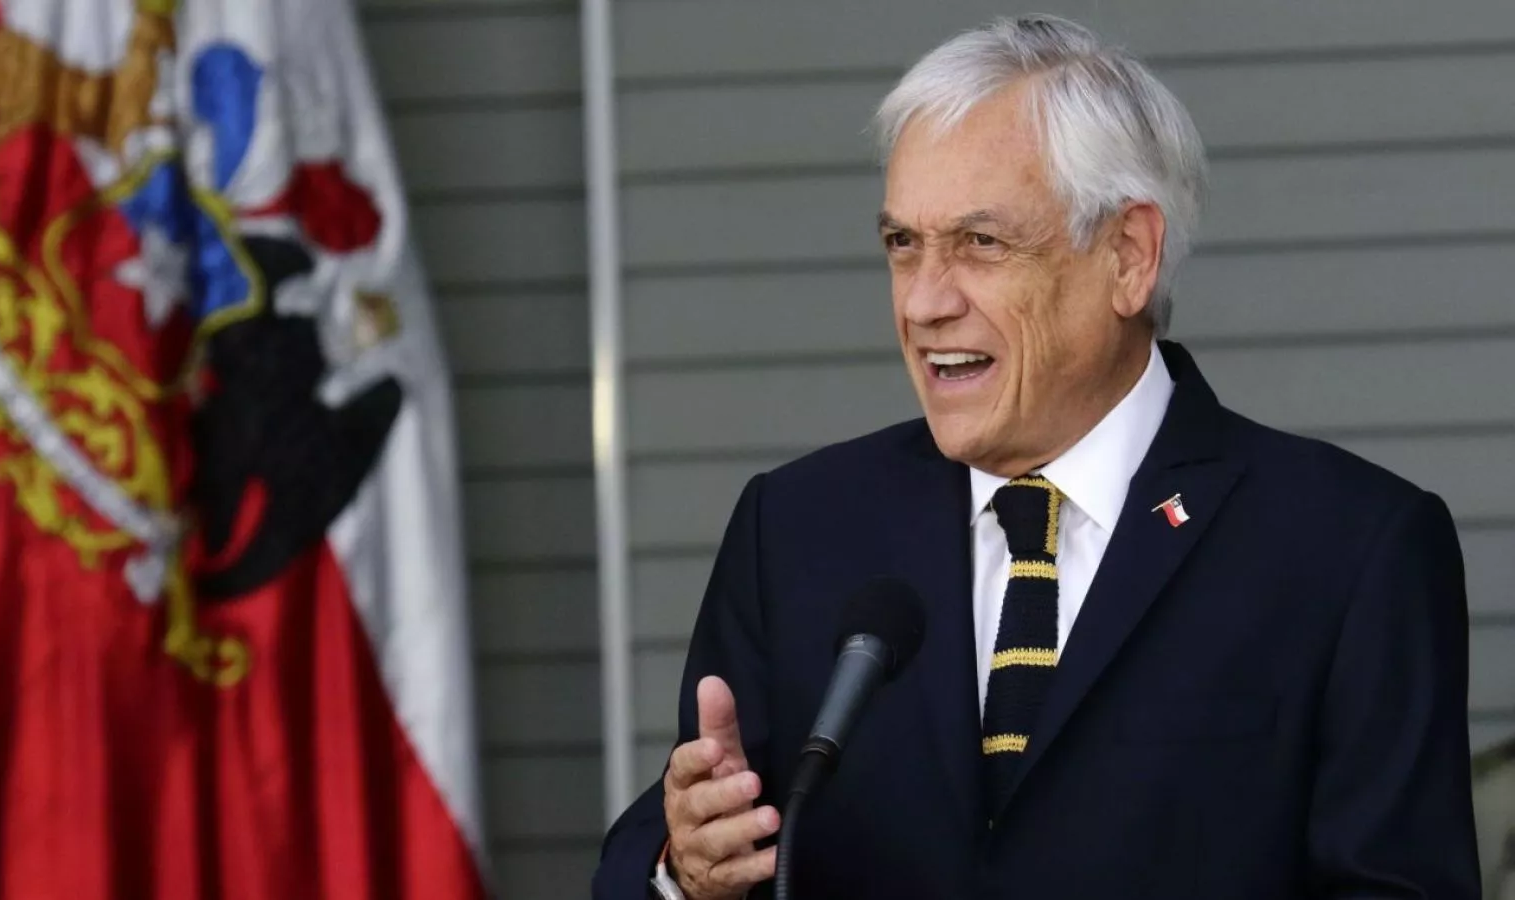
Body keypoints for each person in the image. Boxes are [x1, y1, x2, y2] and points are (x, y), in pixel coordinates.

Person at [592, 14, 1480, 900]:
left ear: (1129, 256)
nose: (924, 304)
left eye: (981, 243)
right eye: (903, 245)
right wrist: (684, 873)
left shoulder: (1348, 549)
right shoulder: (797, 531)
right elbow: (660, 851)